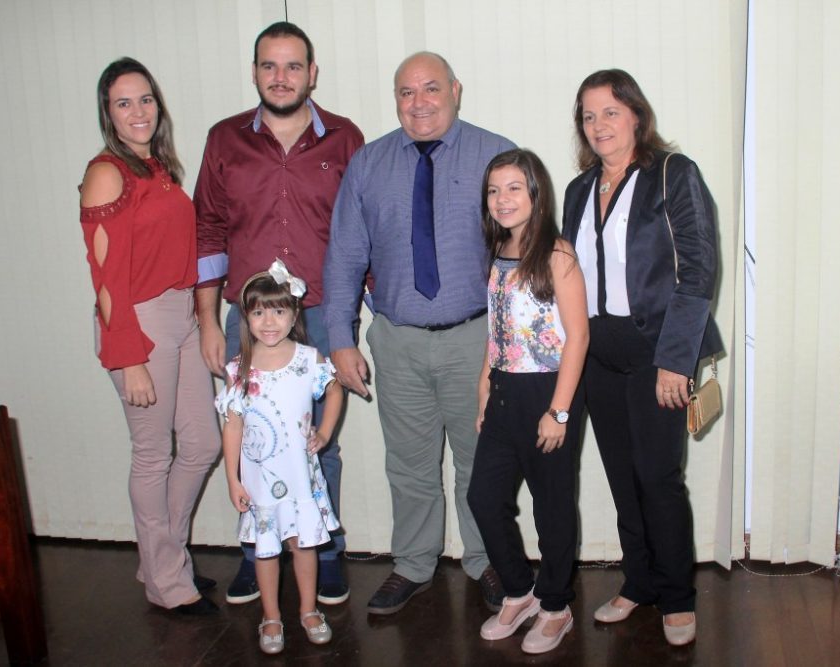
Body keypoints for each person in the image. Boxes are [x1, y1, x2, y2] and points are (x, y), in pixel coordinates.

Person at [323, 52, 515, 615]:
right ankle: (412, 562)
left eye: (431, 88)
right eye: (406, 92)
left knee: (481, 461)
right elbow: (345, 255)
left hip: (477, 341)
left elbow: (526, 247)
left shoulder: (495, 155)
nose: (419, 102)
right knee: (408, 464)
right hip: (398, 341)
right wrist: (340, 338)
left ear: (456, 89)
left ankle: (487, 560)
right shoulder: (369, 164)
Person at [194, 21, 364, 606]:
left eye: (293, 66)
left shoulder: (344, 139)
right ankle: (256, 551)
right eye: (270, 65)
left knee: (319, 442)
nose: (281, 77)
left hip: (321, 313)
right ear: (254, 72)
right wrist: (208, 321)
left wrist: (352, 323)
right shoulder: (224, 140)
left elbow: (359, 231)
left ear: (312, 74)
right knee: (251, 440)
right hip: (247, 320)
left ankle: (325, 552)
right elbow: (208, 232)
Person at [561, 69, 723, 646]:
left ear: (636, 115)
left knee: (658, 478)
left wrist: (677, 360)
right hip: (597, 355)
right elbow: (568, 277)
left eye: (610, 111)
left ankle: (677, 596)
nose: (599, 124)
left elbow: (698, 270)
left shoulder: (672, 174)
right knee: (623, 478)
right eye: (588, 115)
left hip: (658, 352)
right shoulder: (578, 189)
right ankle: (639, 582)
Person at [78, 57, 220, 615]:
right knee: (153, 454)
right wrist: (129, 356)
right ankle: (167, 582)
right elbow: (105, 278)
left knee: (203, 444)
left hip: (180, 315)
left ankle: (163, 558)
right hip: (139, 323)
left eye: (145, 99)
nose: (138, 111)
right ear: (108, 113)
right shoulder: (107, 172)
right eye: (123, 102)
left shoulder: (156, 168)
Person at [466, 149, 588, 655]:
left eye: (514, 188)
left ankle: (556, 605)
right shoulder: (498, 250)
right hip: (503, 390)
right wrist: (483, 387)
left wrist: (559, 411)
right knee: (483, 497)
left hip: (548, 392)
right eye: (494, 190)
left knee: (552, 506)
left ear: (536, 194)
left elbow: (578, 337)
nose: (502, 199)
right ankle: (520, 591)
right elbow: (497, 328)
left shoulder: (557, 253)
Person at [215, 260, 342, 654]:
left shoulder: (308, 358)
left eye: (278, 311)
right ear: (246, 317)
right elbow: (232, 426)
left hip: (300, 476)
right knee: (266, 548)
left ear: (294, 313)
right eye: (258, 313)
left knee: (304, 544)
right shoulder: (239, 369)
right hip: (260, 481)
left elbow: (334, 390)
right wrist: (233, 478)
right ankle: (270, 616)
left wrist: (324, 433)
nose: (268, 322)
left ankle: (308, 610)